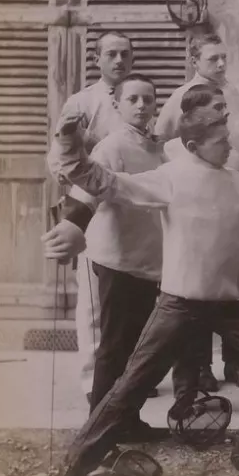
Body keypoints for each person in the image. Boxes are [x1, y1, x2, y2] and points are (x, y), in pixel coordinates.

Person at [49, 85, 239, 476]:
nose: (229, 146)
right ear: (193, 144)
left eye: (228, 137)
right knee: (131, 385)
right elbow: (103, 182)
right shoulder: (170, 178)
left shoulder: (235, 173)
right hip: (182, 302)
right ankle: (76, 465)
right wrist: (69, 146)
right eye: (221, 141)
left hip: (236, 300)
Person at [152, 33, 239, 393]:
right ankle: (200, 367)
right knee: (201, 284)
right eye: (212, 59)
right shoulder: (183, 98)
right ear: (194, 61)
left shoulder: (232, 91)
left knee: (236, 277)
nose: (220, 65)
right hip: (201, 200)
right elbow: (161, 140)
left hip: (236, 188)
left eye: (223, 58)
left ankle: (236, 363)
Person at [44, 30, 154, 401]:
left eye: (125, 54)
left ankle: (126, 382)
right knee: (94, 304)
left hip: (130, 205)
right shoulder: (82, 102)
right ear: (97, 59)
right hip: (91, 203)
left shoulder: (140, 100)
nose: (119, 61)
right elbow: (61, 160)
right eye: (111, 54)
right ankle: (94, 384)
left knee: (131, 303)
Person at [68, 73, 168, 441]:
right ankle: (100, 425)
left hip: (147, 262)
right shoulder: (110, 147)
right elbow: (86, 193)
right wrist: (71, 227)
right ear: (118, 105)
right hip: (115, 260)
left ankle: (128, 419)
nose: (142, 106)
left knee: (136, 349)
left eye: (148, 99)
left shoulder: (161, 150)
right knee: (111, 347)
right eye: (133, 99)